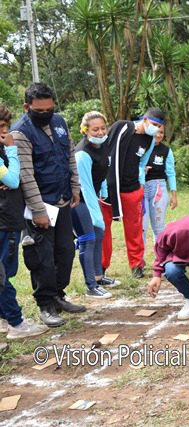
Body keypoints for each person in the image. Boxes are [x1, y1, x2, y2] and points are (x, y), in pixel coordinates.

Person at [12, 83, 86, 326]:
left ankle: (58, 295)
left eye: (49, 109)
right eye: (40, 111)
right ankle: (45, 304)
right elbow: (26, 175)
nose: (46, 114)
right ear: (27, 107)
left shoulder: (60, 123)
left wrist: (75, 188)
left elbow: (69, 156)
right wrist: (38, 210)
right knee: (41, 256)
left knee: (65, 251)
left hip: (62, 199)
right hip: (39, 205)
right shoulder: (20, 133)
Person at [0, 105, 49, 339]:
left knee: (4, 272)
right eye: (0, 127)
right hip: (4, 222)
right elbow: (12, 180)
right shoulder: (6, 149)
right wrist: (12, 150)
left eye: (5, 127)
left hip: (8, 219)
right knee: (3, 274)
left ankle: (3, 318)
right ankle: (16, 322)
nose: (4, 132)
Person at [104, 107, 162, 279]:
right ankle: (101, 266)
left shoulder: (149, 140)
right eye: (153, 124)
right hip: (109, 188)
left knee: (135, 228)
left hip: (132, 189)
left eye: (159, 126)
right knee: (104, 229)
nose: (155, 129)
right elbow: (107, 153)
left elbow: (142, 164)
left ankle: (137, 265)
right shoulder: (123, 127)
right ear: (144, 119)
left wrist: (140, 186)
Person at [72, 111, 113, 299]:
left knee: (98, 234)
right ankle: (91, 286)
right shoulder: (82, 154)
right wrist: (96, 214)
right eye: (95, 129)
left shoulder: (103, 145)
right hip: (78, 199)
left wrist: (103, 189)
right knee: (89, 237)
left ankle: (98, 277)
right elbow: (85, 187)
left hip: (91, 194)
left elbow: (102, 169)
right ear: (85, 130)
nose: (100, 132)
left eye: (103, 128)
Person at [143, 126, 177, 248]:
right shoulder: (141, 147)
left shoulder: (166, 151)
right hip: (141, 189)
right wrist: (141, 170)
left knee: (159, 227)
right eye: (156, 132)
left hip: (159, 189)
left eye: (161, 132)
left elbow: (171, 173)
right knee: (142, 227)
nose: (158, 135)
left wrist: (174, 195)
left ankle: (160, 256)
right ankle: (139, 258)